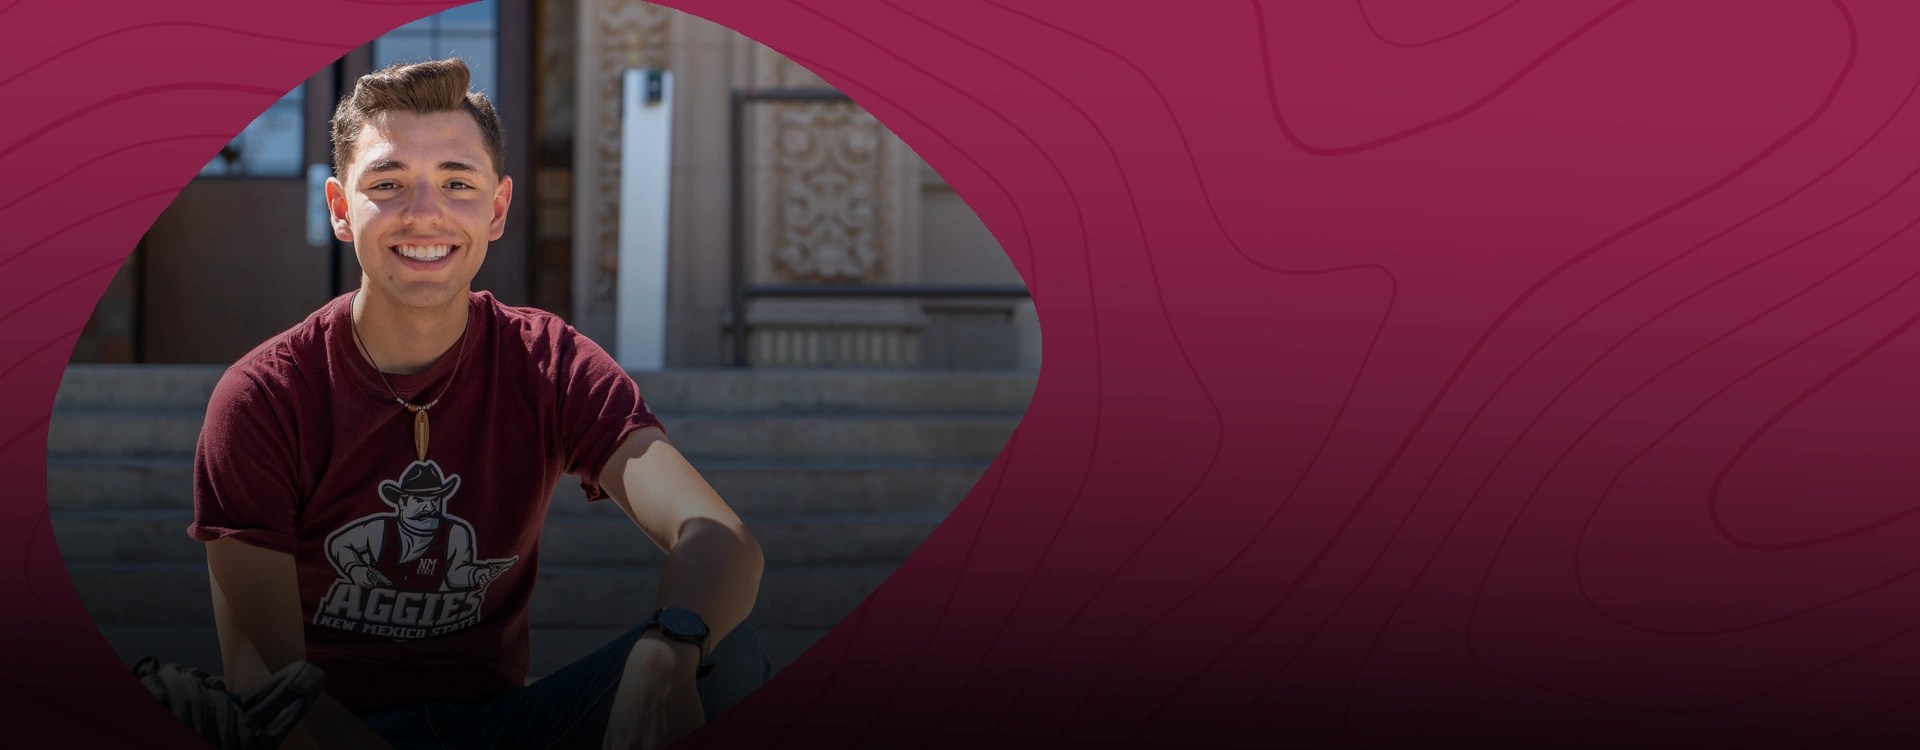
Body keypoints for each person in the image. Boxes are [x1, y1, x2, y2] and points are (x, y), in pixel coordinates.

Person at [188, 57, 767, 750]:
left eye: (457, 182)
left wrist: (668, 645)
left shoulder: (548, 364)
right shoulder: (264, 396)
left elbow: (718, 536)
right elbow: (266, 685)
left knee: (720, 652)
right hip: (334, 729)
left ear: (496, 209)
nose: (424, 211)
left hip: (502, 725)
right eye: (388, 183)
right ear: (341, 209)